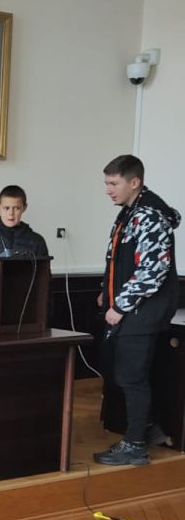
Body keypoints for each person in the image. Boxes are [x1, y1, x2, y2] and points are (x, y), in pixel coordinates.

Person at [93, 154, 180, 467]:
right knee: (123, 373)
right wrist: (107, 292)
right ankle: (146, 429)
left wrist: (120, 305)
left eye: (113, 183)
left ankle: (135, 446)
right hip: (131, 307)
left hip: (143, 311)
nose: (108, 189)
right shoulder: (129, 212)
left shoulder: (150, 216)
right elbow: (121, 260)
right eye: (106, 183)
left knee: (131, 377)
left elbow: (152, 271)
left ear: (134, 182)